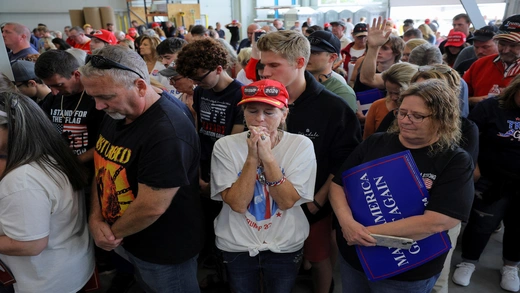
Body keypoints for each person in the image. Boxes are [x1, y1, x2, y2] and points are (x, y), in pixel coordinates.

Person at [330, 79, 475, 293]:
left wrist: (363, 233)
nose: (406, 120)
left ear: (442, 119)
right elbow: (338, 185)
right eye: (402, 112)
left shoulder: (455, 160)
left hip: (406, 270)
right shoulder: (376, 142)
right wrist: (347, 224)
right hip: (355, 256)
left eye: (417, 116)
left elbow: (438, 222)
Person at [80, 45, 202, 293]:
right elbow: (103, 164)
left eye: (105, 97)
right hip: (127, 238)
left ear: (140, 86)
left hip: (162, 249)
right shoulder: (117, 111)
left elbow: (151, 206)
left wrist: (109, 234)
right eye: (93, 97)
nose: (98, 106)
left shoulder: (167, 132)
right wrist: (95, 218)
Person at [255, 29, 361, 293]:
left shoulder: (333, 108)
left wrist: (318, 202)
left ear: (300, 63)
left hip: (311, 205)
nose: (264, 72)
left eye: (273, 65)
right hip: (262, 202)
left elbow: (344, 162)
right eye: (262, 65)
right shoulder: (260, 102)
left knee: (318, 257)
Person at [210, 79, 316, 293]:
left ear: (284, 114)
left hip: (285, 243)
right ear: (244, 113)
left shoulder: (301, 145)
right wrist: (252, 158)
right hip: (236, 243)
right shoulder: (225, 146)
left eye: (269, 112)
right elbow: (238, 204)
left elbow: (286, 202)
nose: (259, 119)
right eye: (252, 111)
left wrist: (267, 157)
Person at [0, 91, 95, 293]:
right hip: (70, 264)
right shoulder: (50, 151)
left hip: (44, 280)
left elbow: (30, 245)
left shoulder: (22, 180)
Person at [452, 74, 520, 293]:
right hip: (492, 179)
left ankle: (511, 266)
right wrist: (474, 165)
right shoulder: (491, 107)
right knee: (482, 224)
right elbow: (468, 137)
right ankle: (468, 261)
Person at [463, 14, 520, 108]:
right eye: (502, 44)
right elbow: (459, 97)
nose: (505, 50)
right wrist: (480, 101)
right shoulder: (480, 64)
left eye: (513, 45)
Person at [362, 62, 418, 139]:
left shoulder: (420, 111)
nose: (393, 97)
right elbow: (367, 140)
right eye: (389, 92)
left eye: (398, 93)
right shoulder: (377, 106)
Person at [307, 30, 357, 112]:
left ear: (332, 57)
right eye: (306, 51)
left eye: (315, 53)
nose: (307, 56)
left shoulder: (342, 93)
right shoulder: (295, 84)